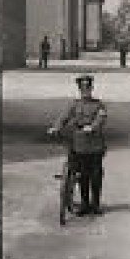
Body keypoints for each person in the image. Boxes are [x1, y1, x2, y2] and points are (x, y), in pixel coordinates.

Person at [48, 74, 108, 218]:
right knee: (81, 176)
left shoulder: (98, 104)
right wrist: (56, 127)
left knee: (95, 175)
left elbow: (101, 118)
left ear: (92, 88)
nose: (85, 90)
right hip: (78, 145)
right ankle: (85, 204)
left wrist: (92, 127)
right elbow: (64, 117)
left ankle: (95, 205)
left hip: (95, 146)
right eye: (83, 88)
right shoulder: (74, 104)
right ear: (79, 89)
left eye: (88, 87)